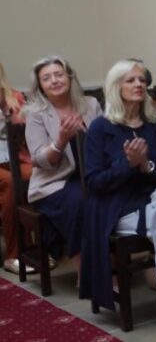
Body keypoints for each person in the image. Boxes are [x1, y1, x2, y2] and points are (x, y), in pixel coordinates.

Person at [81, 59, 156, 319]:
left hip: (154, 201)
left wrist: (146, 165)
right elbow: (95, 182)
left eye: (142, 80)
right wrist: (127, 165)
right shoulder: (101, 128)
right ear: (116, 86)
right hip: (117, 207)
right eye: (131, 80)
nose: (139, 84)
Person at [22, 57, 102, 278]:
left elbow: (105, 142)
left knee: (110, 194)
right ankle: (87, 274)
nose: (54, 81)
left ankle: (110, 261)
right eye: (46, 78)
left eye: (59, 74)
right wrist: (60, 140)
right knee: (82, 201)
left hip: (90, 175)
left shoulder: (91, 104)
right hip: (54, 183)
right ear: (40, 86)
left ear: (69, 77)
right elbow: (39, 160)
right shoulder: (36, 114)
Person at [0, 62, 35, 273]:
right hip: (4, 169)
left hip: (16, 158)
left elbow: (28, 130)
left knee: (40, 176)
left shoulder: (14, 96)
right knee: (12, 185)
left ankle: (39, 248)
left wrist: (12, 113)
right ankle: (13, 255)